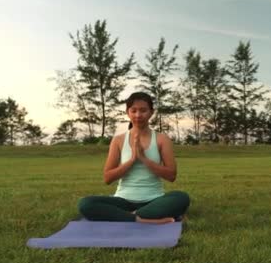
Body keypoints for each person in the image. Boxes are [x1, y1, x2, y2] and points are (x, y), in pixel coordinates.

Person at [78, 92, 190, 224]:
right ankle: (142, 218)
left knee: (181, 198)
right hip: (123, 200)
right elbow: (108, 178)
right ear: (128, 112)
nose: (138, 115)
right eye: (134, 110)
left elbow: (171, 175)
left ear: (151, 112)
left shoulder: (162, 139)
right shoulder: (118, 140)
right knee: (85, 204)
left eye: (143, 110)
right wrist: (132, 160)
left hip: (154, 200)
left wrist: (143, 158)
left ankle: (128, 216)